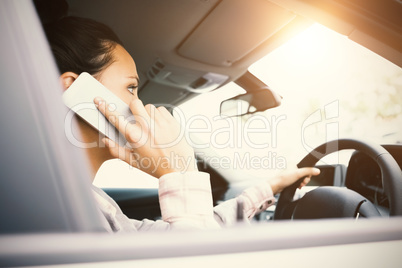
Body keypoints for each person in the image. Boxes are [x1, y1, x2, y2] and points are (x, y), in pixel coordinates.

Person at [41, 13, 319, 231]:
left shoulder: (89, 201)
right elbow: (194, 255)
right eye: (130, 88)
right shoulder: (61, 212)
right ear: (73, 91)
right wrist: (179, 170)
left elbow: (190, 231)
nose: (142, 106)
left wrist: (270, 187)